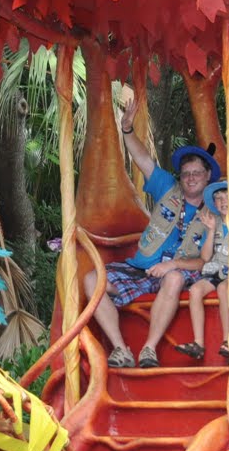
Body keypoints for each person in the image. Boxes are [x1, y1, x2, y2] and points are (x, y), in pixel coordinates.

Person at [84, 104, 221, 369]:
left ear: (208, 177)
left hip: (179, 271)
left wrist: (173, 264)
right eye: (186, 173)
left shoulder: (214, 210)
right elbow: (143, 159)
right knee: (92, 280)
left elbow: (207, 261)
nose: (191, 178)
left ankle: (149, 348)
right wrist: (127, 129)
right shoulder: (167, 188)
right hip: (142, 269)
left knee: (174, 277)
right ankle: (121, 349)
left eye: (197, 173)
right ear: (180, 177)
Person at [176, 182, 229, 362]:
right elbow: (205, 257)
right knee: (195, 290)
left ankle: (227, 340)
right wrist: (212, 230)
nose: (223, 202)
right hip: (214, 270)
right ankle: (198, 343)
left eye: (227, 197)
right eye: (219, 198)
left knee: (223, 288)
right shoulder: (214, 223)